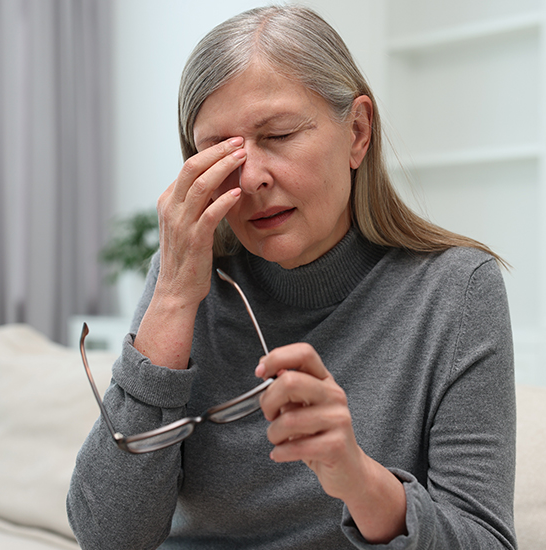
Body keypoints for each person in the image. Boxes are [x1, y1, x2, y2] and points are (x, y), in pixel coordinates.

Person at [68, 5, 516, 549]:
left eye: (278, 135)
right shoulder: (185, 280)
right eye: (219, 152)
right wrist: (171, 302)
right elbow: (107, 537)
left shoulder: (456, 290)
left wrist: (356, 477)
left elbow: (485, 542)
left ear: (356, 132)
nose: (251, 177)